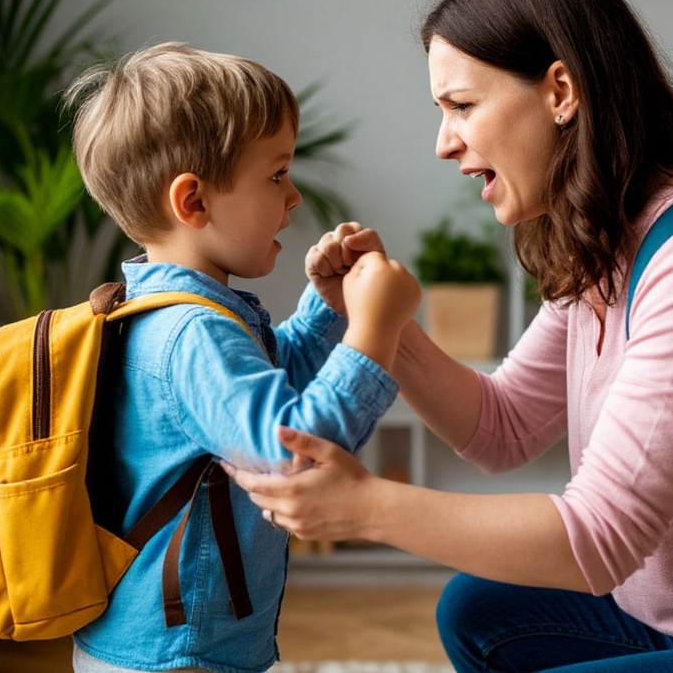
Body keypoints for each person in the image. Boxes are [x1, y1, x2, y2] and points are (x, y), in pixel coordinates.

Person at [227, 0, 673, 671]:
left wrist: (365, 508)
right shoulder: (608, 240)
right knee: (477, 613)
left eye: (461, 105)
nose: (443, 142)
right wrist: (376, 320)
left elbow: (600, 539)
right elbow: (504, 427)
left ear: (559, 92)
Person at [61, 42, 420, 673]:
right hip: (183, 653)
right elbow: (294, 451)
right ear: (193, 201)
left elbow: (266, 395)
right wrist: (375, 328)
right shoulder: (192, 334)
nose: (295, 197)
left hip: (163, 642)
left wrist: (326, 309)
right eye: (276, 174)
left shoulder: (160, 312)